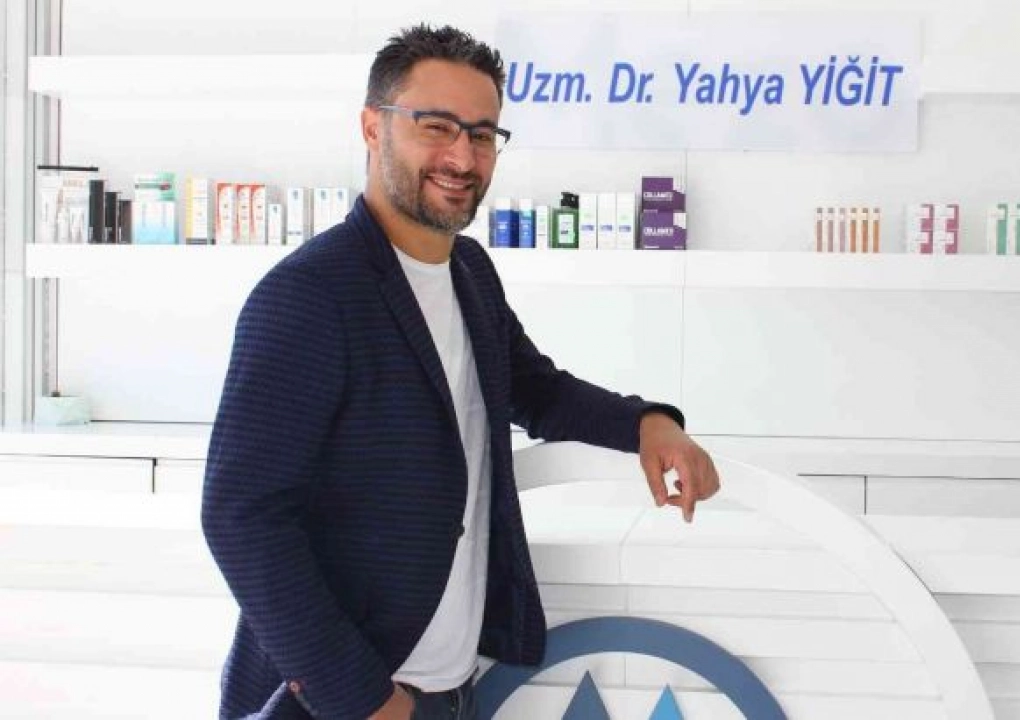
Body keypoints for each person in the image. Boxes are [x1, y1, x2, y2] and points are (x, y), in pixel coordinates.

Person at [201, 23, 720, 720]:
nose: (462, 156)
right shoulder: (310, 294)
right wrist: (365, 700)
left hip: (445, 689)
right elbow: (240, 517)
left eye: (481, 134)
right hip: (343, 700)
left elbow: (534, 388)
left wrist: (647, 424)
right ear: (372, 128)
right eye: (437, 127)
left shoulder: (468, 272)